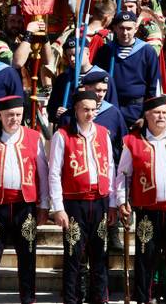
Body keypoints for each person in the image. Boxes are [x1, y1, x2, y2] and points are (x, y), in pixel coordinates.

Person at [115, 95, 166, 304]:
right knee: (146, 257)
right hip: (147, 211)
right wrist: (122, 201)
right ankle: (144, 298)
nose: (161, 117)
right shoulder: (132, 141)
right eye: (157, 113)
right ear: (147, 115)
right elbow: (123, 175)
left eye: (164, 113)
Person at [0, 95, 48, 304]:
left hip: (25, 208)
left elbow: (43, 174)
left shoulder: (34, 138)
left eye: (17, 115)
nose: (14, 119)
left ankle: (28, 300)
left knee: (27, 257)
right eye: (9, 115)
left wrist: (44, 205)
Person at [48, 90, 117, 304]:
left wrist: (113, 203)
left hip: (100, 201)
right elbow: (54, 172)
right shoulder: (62, 136)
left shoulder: (103, 133)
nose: (89, 114)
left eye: (93, 110)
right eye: (85, 109)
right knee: (73, 254)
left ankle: (100, 298)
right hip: (74, 203)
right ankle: (72, 299)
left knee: (100, 254)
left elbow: (110, 168)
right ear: (76, 110)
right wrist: (58, 207)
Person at [94, 11, 161, 126]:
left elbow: (154, 86)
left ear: (135, 29)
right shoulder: (106, 51)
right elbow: (96, 80)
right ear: (115, 28)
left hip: (137, 111)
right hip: (110, 108)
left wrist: (147, 115)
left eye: (129, 29)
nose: (125, 33)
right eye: (121, 28)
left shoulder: (147, 51)